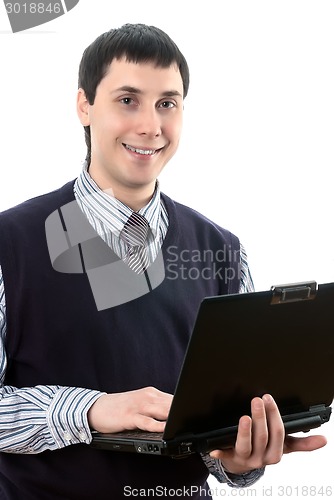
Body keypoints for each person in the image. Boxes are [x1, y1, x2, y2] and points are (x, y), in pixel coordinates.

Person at [0, 23, 326, 499]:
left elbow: (225, 445)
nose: (151, 126)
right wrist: (90, 412)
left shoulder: (223, 252)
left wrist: (237, 460)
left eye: (167, 104)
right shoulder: (11, 244)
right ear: (85, 106)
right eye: (128, 100)